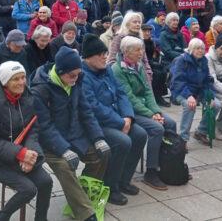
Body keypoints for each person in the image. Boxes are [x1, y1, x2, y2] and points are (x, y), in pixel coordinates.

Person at [31, 47, 111, 221]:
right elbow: (45, 127)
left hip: (74, 136)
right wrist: (64, 149)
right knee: (65, 167)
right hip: (50, 144)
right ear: (60, 73)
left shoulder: (77, 80)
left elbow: (86, 111)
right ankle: (86, 213)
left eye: (77, 74)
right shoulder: (40, 89)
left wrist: (98, 138)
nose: (75, 79)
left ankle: (83, 196)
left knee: (101, 154)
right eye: (71, 75)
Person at [0, 61, 52, 221]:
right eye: (16, 79)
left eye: (23, 77)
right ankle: (1, 218)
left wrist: (30, 154)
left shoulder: (26, 97)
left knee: (46, 182)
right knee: (27, 189)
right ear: (5, 81)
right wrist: (21, 153)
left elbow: (33, 129)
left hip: (19, 153)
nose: (22, 82)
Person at [80, 34, 146, 205]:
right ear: (88, 57)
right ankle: (111, 186)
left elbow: (122, 92)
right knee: (123, 142)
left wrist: (128, 117)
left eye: (105, 53)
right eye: (100, 54)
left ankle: (124, 180)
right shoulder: (83, 76)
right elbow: (93, 106)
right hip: (97, 124)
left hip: (118, 117)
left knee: (139, 135)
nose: (105, 56)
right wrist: (120, 122)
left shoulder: (106, 70)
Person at [111, 35, 176, 190]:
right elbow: (129, 98)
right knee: (157, 128)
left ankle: (165, 164)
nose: (141, 53)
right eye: (137, 50)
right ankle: (151, 172)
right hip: (130, 110)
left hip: (146, 108)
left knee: (170, 123)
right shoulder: (117, 69)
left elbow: (148, 91)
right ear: (126, 51)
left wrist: (156, 111)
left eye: (141, 49)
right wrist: (150, 114)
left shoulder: (138, 65)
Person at [170, 38, 218, 146]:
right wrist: (189, 96)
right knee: (189, 106)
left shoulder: (204, 61)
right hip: (181, 91)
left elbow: (206, 81)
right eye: (197, 48)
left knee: (215, 105)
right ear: (191, 49)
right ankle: (183, 139)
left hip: (198, 91)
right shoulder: (181, 60)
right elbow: (178, 81)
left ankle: (201, 131)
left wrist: (210, 96)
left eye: (202, 48)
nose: (200, 51)